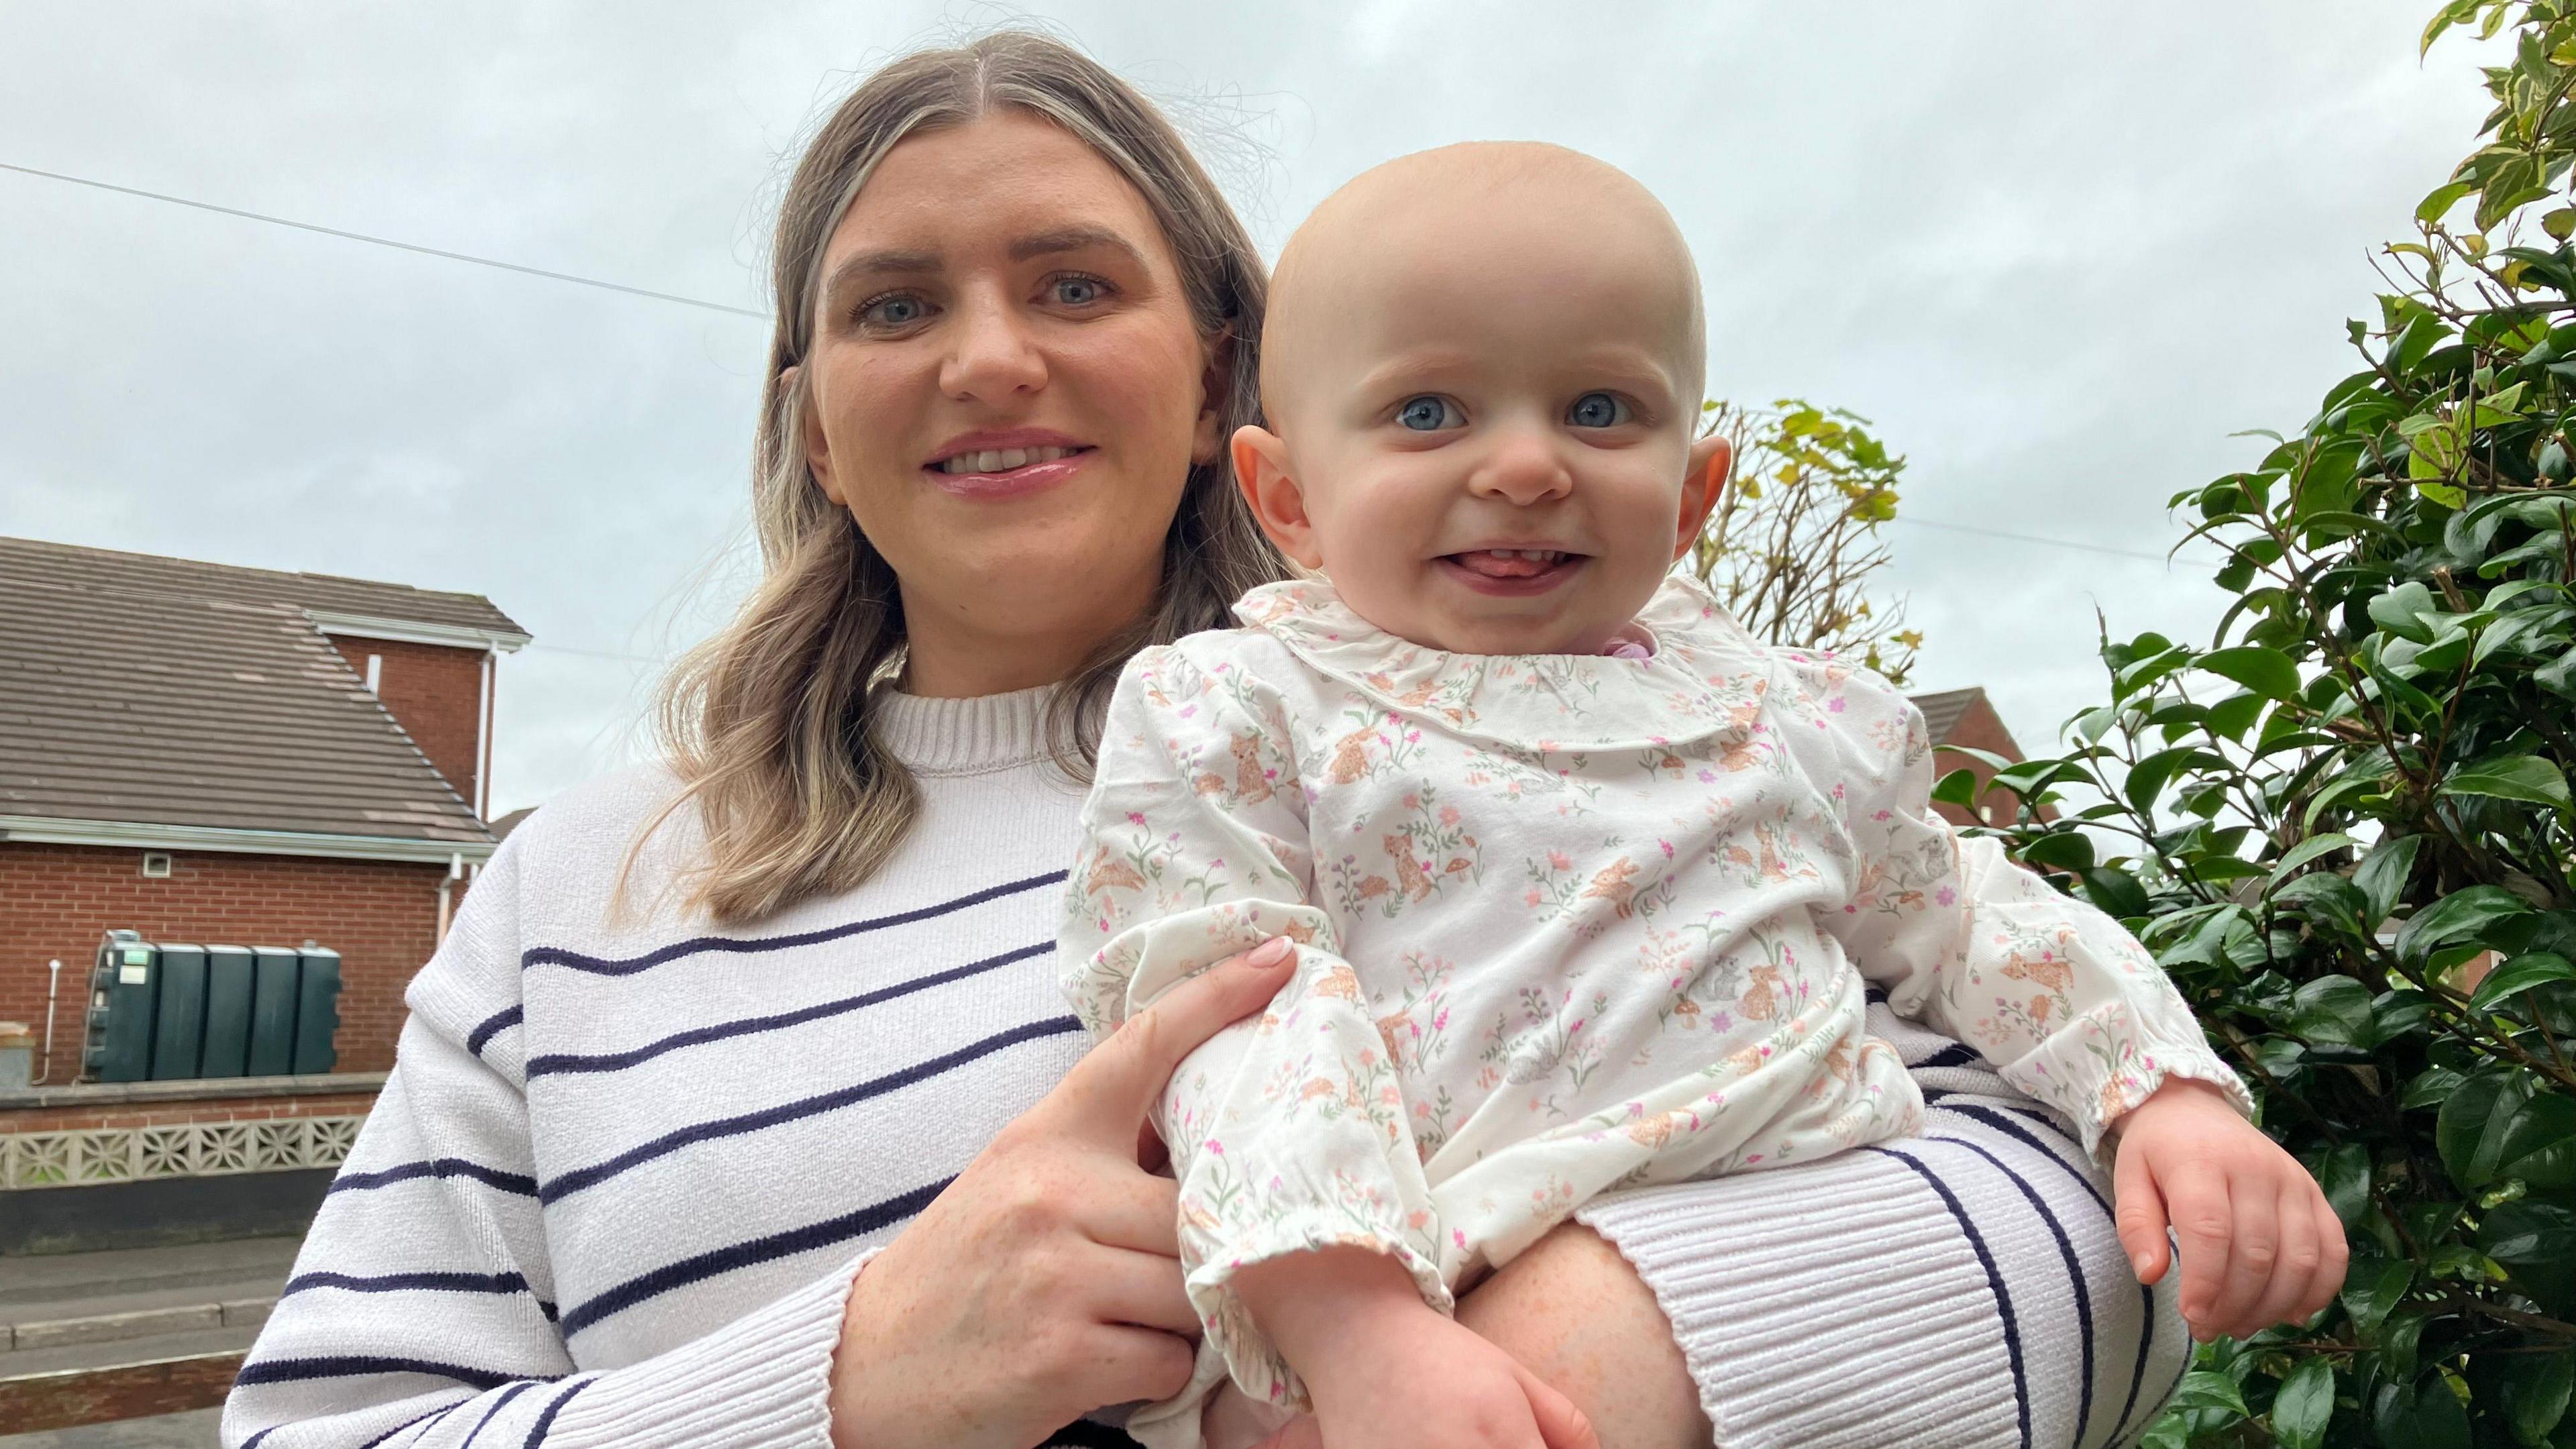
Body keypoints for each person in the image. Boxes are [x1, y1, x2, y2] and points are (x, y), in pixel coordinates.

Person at [223, 32, 2343, 1449]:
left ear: (1227, 371)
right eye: (890, 306)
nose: (987, 356)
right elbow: (315, 1426)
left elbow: (2090, 1235)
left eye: (1075, 281)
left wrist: (1584, 1354)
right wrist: (842, 1384)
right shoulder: (576, 893)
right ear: (807, 412)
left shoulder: (1614, 717)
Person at [1059, 144, 2342, 1449]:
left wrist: (2155, 1090)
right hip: (1437, 1289)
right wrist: (1351, 1319)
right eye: (1430, 413)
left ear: (1692, 500)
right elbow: (1219, 1011)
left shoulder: (1783, 714)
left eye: (1600, 410)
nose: (1524, 467)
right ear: (1288, 498)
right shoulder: (1251, 711)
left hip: (1842, 1263)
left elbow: (1959, 915)